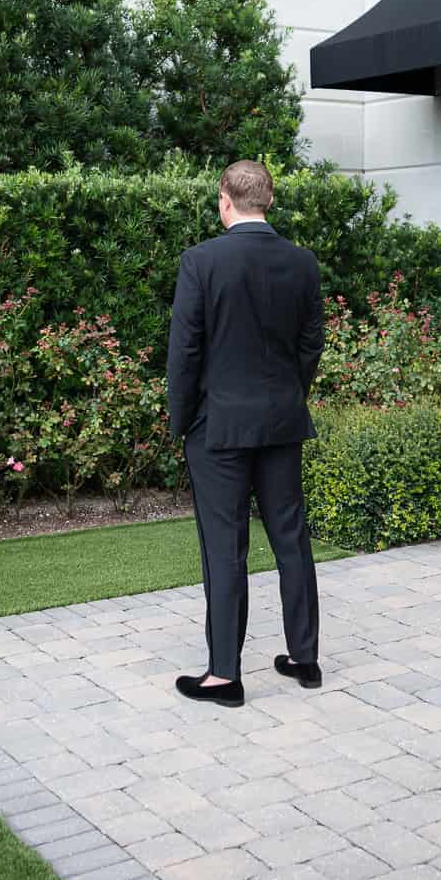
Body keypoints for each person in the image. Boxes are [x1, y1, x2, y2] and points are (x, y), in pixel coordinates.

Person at [165, 160, 325, 707]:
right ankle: (305, 659)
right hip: (281, 420)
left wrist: (181, 421)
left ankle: (224, 676)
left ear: (224, 200)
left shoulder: (201, 261)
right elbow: (310, 344)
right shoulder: (302, 262)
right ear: (269, 200)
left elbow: (185, 352)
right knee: (291, 538)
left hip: (218, 427)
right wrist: (288, 396)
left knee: (225, 546)